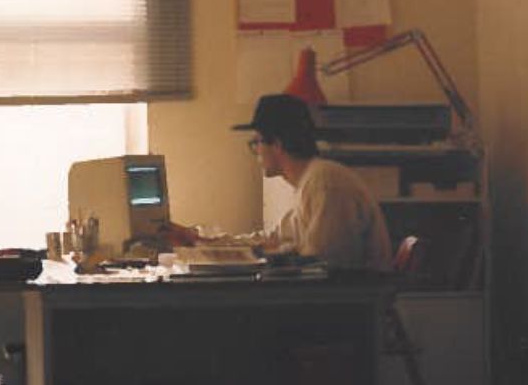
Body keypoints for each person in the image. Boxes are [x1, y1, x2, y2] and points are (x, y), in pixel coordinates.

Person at [165, 94, 393, 273]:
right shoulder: (311, 181)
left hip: (349, 311)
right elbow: (274, 239)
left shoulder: (324, 184)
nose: (255, 153)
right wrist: (201, 241)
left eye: (256, 143)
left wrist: (271, 255)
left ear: (277, 144)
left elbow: (322, 262)